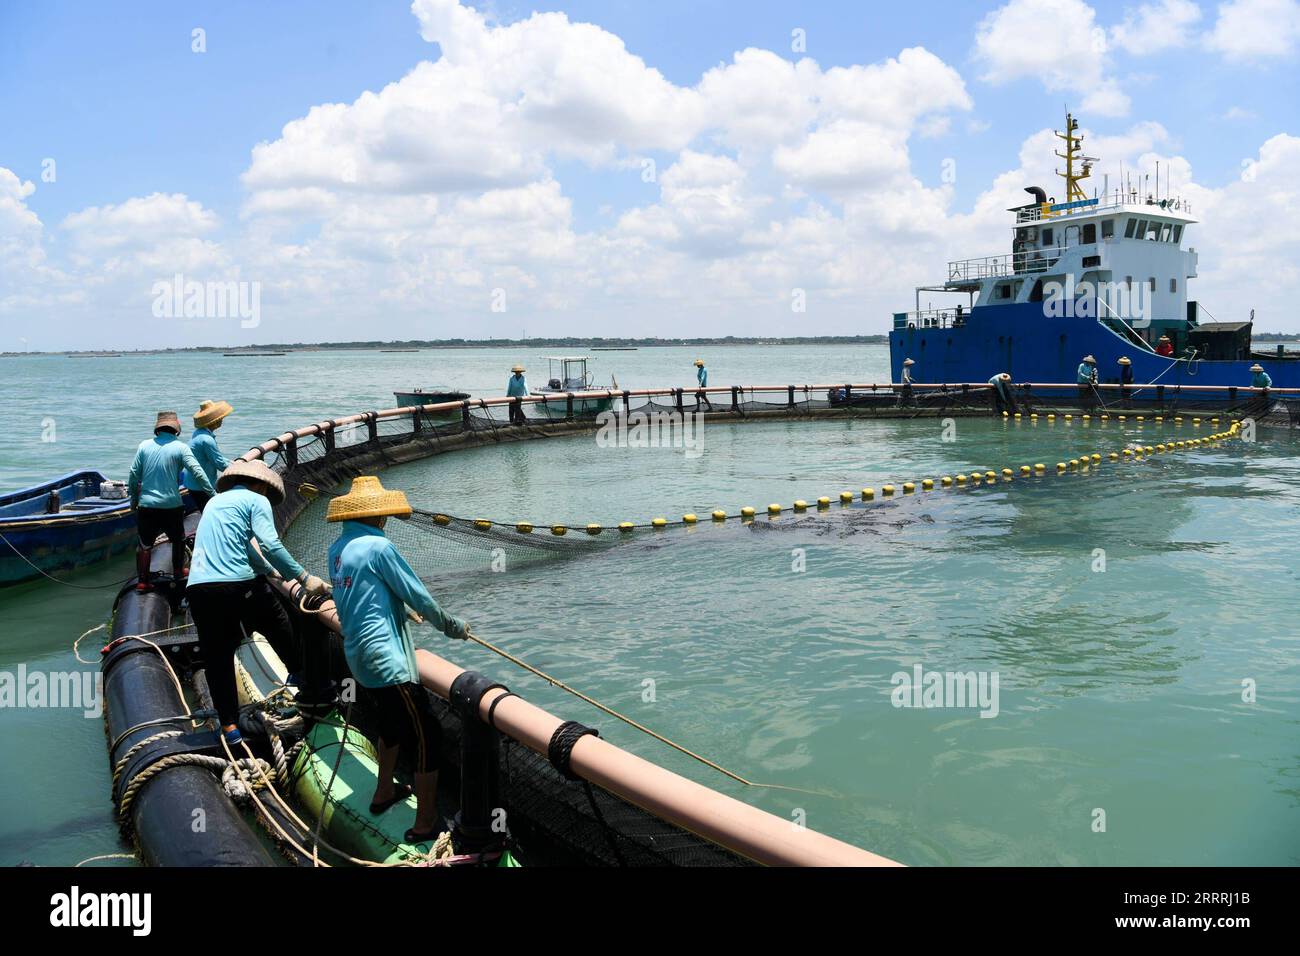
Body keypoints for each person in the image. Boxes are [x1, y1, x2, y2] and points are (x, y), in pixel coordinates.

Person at [326, 476, 469, 845]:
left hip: (358, 656)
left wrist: (398, 612)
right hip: (387, 660)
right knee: (427, 736)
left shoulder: (338, 548)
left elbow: (355, 601)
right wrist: (453, 626)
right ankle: (425, 823)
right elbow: (418, 594)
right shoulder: (378, 546)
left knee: (390, 724)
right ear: (378, 515)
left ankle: (383, 791)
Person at [187, 459, 329, 746]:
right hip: (237, 585)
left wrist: (267, 569)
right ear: (262, 485)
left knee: (217, 657)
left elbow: (243, 547)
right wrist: (303, 577)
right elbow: (270, 544)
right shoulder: (256, 499)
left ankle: (229, 726)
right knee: (278, 622)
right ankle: (303, 683)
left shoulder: (215, 502)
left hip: (199, 589)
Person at [127, 411, 215, 592]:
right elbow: (197, 472)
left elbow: (134, 475)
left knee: (144, 545)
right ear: (176, 429)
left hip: (147, 505)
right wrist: (212, 494)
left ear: (157, 429)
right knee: (178, 539)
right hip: (171, 505)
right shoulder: (181, 447)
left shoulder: (144, 446)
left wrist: (133, 501)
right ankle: (177, 572)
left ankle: (143, 581)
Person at [185, 400, 233, 512]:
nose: (222, 420)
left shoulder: (198, 433)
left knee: (206, 511)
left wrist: (231, 462)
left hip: (192, 482)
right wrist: (239, 469)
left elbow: (215, 457)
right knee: (211, 513)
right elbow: (219, 463)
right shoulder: (207, 440)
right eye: (220, 418)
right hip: (202, 485)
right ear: (214, 421)